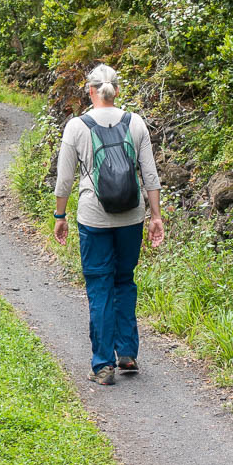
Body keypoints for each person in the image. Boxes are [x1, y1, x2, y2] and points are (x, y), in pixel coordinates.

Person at [53, 64, 164, 386]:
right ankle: (127, 352)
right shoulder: (137, 124)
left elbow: (65, 180)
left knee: (100, 287)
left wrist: (60, 217)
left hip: (93, 218)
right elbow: (150, 176)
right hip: (131, 216)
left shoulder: (76, 126)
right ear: (117, 90)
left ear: (90, 90)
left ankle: (103, 365)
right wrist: (155, 217)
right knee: (124, 281)